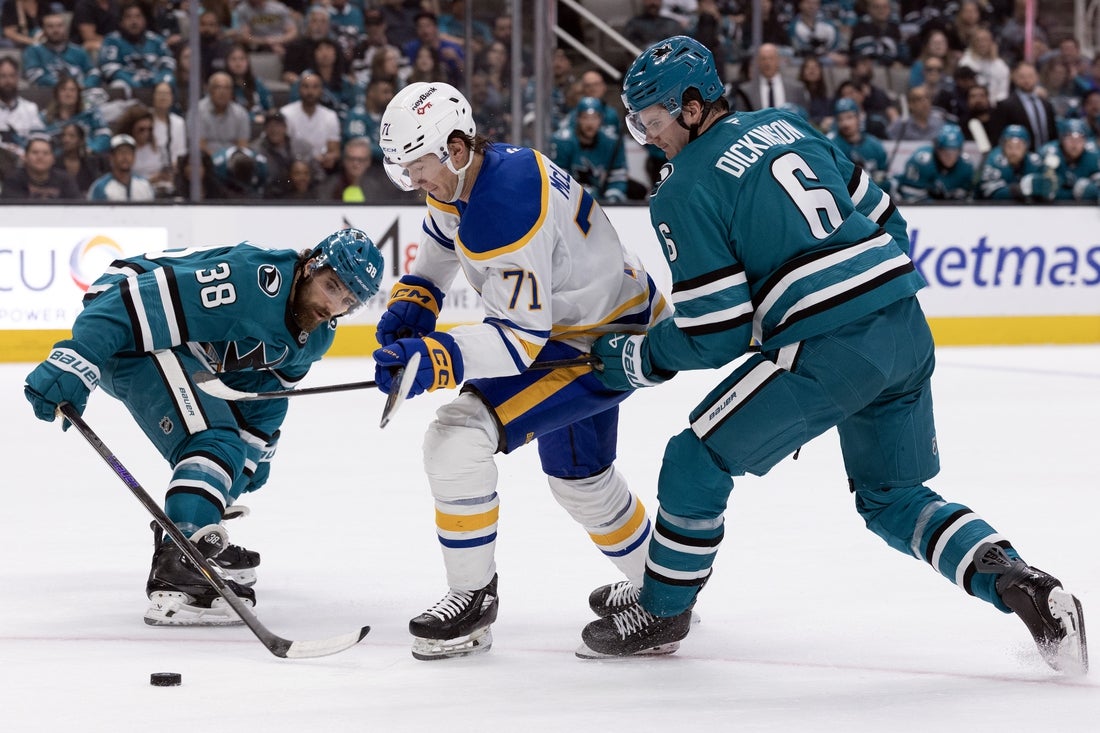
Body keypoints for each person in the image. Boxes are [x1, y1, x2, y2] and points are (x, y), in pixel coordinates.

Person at [575, 36, 1087, 677]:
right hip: (905, 326)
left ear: (693, 106)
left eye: (653, 122)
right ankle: (1021, 583)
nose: (649, 138)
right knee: (891, 494)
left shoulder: (683, 189)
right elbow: (888, 219)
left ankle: (663, 609)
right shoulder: (787, 124)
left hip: (829, 350)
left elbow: (716, 332)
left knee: (694, 458)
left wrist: (633, 356)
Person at [372, 81, 670, 660]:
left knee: (457, 437)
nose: (414, 181)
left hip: (596, 340)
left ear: (456, 148)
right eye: (403, 171)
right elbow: (443, 233)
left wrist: (435, 357)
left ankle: (472, 601)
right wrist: (418, 297)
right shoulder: (472, 172)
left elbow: (519, 342)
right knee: (581, 480)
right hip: (603, 316)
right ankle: (665, 589)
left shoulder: (503, 209)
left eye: (418, 167)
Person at [23, 229, 383, 626]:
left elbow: (265, 393)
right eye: (331, 286)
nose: (332, 306)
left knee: (231, 457)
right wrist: (77, 358)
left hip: (183, 346)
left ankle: (196, 534)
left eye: (348, 301)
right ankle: (179, 565)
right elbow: (132, 303)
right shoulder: (249, 281)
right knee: (213, 442)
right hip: (119, 315)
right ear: (310, 266)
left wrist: (252, 454)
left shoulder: (315, 338)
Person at [550, 96, 630, 204]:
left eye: (594, 118)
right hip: (571, 202)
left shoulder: (612, 142)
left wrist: (612, 197)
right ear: (577, 118)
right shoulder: (563, 141)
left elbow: (618, 175)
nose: (590, 123)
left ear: (601, 119)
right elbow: (559, 178)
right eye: (585, 117)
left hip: (602, 198)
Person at [97, 1, 175, 96]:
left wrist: (160, 80)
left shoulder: (156, 40)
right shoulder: (112, 40)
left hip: (155, 84)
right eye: (128, 17)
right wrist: (133, 81)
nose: (134, 21)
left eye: (138, 16)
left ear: (145, 20)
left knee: (169, 82)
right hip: (127, 85)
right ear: (121, 21)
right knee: (118, 85)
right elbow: (109, 68)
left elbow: (168, 64)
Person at [891, 122, 976, 202]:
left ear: (960, 151)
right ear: (937, 149)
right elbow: (911, 197)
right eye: (945, 151)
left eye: (955, 151)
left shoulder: (966, 166)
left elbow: (965, 198)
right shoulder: (921, 162)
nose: (950, 157)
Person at [22, 4, 96, 88]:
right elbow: (33, 74)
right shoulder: (34, 51)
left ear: (65, 28)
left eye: (59, 26)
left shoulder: (78, 51)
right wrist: (64, 87)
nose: (56, 30)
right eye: (50, 26)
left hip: (80, 92)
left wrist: (85, 86)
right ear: (43, 30)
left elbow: (93, 72)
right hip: (48, 93)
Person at [977, 124, 1054, 201]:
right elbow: (989, 193)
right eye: (1009, 146)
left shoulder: (1035, 162)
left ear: (1026, 147)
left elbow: (1048, 191)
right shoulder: (994, 161)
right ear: (1003, 146)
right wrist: (1017, 190)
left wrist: (1044, 189)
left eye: (1018, 147)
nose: (1013, 152)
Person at [827, 97, 888, 184]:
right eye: (840, 119)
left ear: (858, 117)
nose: (845, 123)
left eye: (849, 117)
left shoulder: (875, 145)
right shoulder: (832, 146)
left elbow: (882, 177)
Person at [1039, 118, 1100, 202]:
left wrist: (1092, 191)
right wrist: (1074, 194)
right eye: (1070, 139)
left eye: (1079, 140)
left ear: (1085, 141)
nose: (1074, 145)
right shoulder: (1050, 154)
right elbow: (1046, 190)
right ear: (1061, 140)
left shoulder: (1093, 156)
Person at [1, 134, 80, 199]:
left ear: (53, 159)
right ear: (25, 157)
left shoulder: (66, 180)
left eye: (46, 153)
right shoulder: (13, 179)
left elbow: (77, 207)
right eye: (35, 152)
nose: (40, 157)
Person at [86, 133, 155, 200]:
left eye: (129, 152)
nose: (125, 156)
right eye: (120, 152)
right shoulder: (100, 187)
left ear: (134, 157)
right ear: (111, 157)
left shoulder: (144, 185)